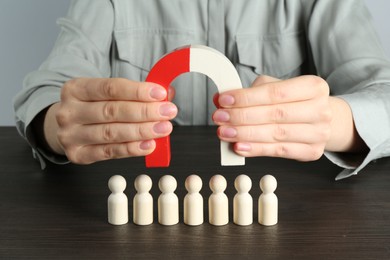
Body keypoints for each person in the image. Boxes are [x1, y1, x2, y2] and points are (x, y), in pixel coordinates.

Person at [13, 0, 390, 180]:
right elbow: (48, 91)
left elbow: (384, 93)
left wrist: (336, 122)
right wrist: (56, 126)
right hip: (147, 202)